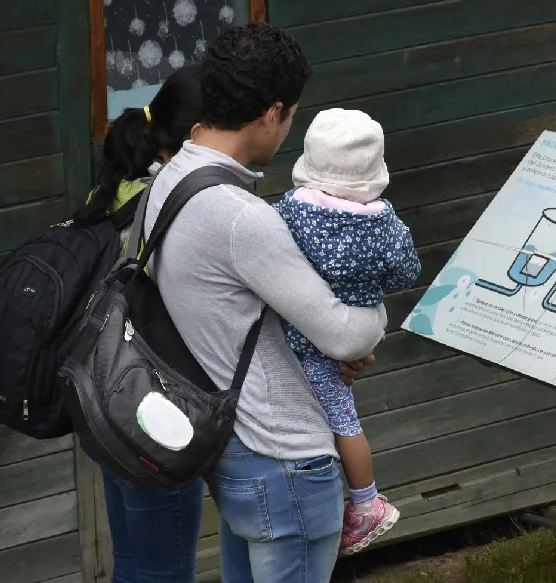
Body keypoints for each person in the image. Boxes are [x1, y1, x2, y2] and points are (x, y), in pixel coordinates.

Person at [139, 23, 386, 582]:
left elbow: (226, 308)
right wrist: (372, 312)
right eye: (293, 114)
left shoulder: (169, 180)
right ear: (273, 112)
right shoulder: (240, 216)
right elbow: (348, 334)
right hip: (285, 457)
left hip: (233, 449)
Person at [274, 108, 421, 555]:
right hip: (360, 327)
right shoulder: (384, 223)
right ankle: (363, 498)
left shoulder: (291, 214)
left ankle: (367, 502)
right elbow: (406, 272)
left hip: (300, 340)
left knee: (339, 421)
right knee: (345, 418)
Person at [89, 63, 210, 583]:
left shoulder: (105, 201)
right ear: (193, 136)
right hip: (153, 411)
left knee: (132, 563)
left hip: (104, 401)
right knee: (166, 573)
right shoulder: (167, 205)